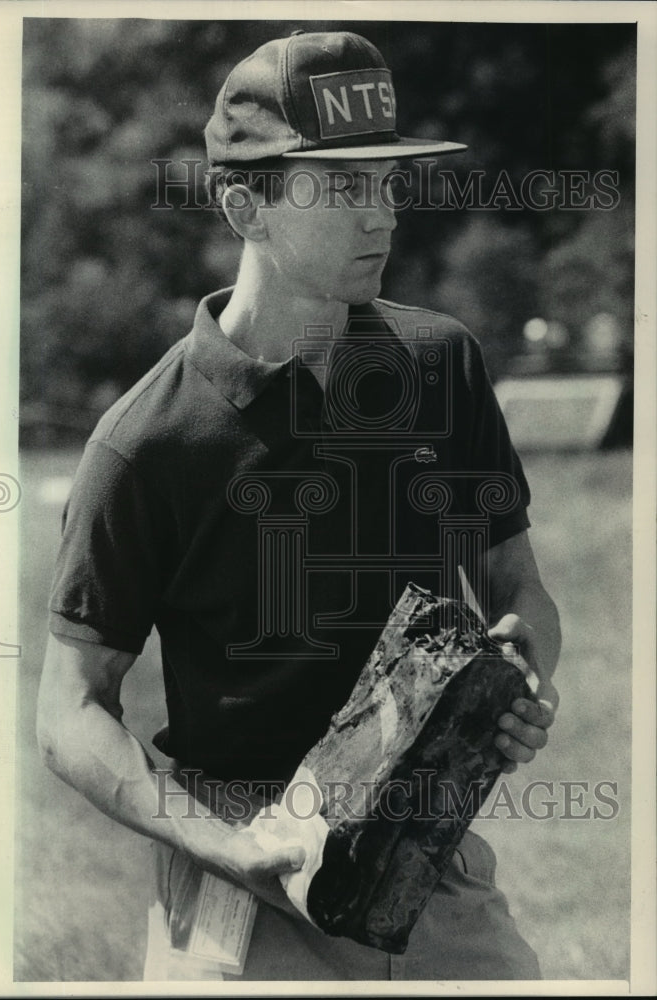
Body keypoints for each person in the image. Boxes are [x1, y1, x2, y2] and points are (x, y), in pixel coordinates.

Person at [37, 29, 561, 981]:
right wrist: (225, 848)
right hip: (245, 893)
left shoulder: (439, 367)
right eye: (346, 187)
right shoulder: (146, 441)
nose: (385, 215)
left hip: (432, 865)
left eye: (389, 182)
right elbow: (68, 712)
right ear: (248, 207)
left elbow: (514, 578)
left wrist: (523, 666)